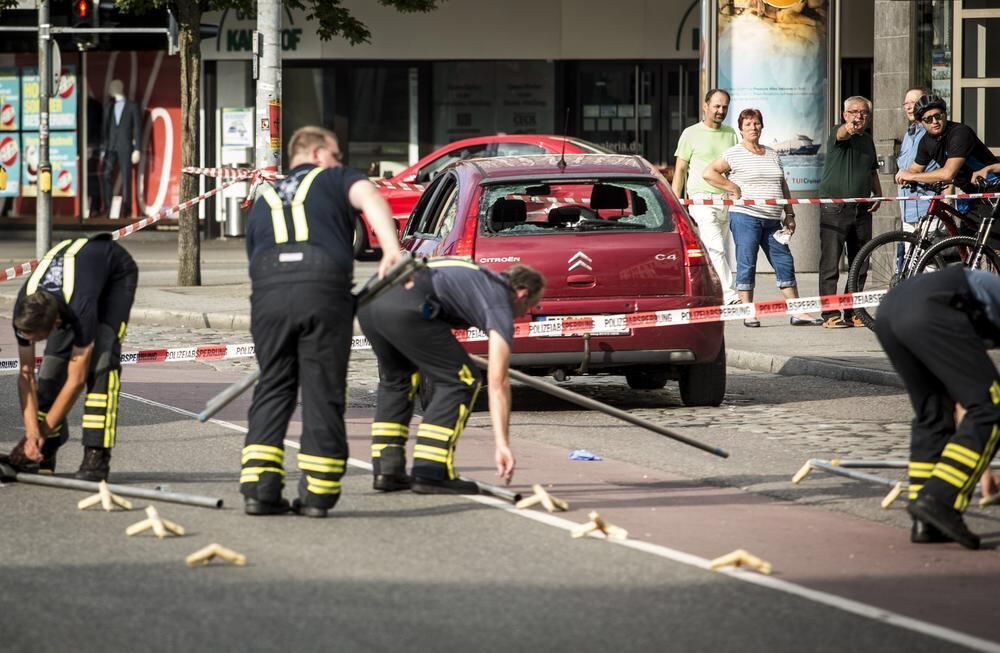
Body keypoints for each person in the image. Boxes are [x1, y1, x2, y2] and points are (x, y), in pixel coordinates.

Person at [241, 125, 402, 518]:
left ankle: (260, 489)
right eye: (335, 154)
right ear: (317, 154)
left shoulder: (263, 197)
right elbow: (369, 195)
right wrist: (392, 249)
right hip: (322, 285)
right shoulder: (333, 177)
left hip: (268, 291)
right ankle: (317, 492)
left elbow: (253, 256)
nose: (340, 162)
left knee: (273, 384)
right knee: (321, 387)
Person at [357, 260, 545, 494]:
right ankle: (430, 471)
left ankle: (388, 469)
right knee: (462, 379)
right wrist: (502, 444)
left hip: (371, 301)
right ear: (522, 294)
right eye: (531, 306)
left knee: (398, 379)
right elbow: (498, 382)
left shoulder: (476, 277)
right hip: (407, 305)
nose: (524, 314)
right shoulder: (499, 300)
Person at [874, 266, 1000, 550]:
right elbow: (984, 405)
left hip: (891, 310)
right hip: (932, 309)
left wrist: (982, 469)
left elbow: (965, 403)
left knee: (933, 411)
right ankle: (940, 499)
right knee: (992, 403)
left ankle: (926, 521)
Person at [6, 234, 138, 481]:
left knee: (102, 365)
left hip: (115, 274)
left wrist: (41, 431)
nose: (30, 343)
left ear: (56, 323)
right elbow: (26, 375)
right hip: (74, 283)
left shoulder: (80, 309)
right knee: (50, 370)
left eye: (36, 338)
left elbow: (76, 380)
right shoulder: (24, 311)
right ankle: (44, 451)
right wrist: (32, 433)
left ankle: (96, 456)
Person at [703, 108, 822, 328]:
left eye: (756, 123)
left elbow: (783, 184)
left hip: (772, 220)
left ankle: (797, 312)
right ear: (741, 129)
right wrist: (732, 187)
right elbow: (709, 172)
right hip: (746, 217)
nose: (753, 128)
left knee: (784, 261)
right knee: (747, 263)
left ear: (762, 126)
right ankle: (749, 312)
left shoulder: (772, 153)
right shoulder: (734, 153)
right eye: (748, 124)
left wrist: (790, 214)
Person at [817, 95, 882, 329]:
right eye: (854, 112)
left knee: (860, 262)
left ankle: (853, 310)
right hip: (835, 208)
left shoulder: (868, 141)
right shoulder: (839, 132)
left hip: (862, 208)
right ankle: (830, 314)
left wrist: (878, 193)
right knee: (831, 264)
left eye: (863, 112)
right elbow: (843, 133)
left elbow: (872, 171)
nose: (859, 116)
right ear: (845, 115)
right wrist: (849, 127)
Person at [673, 89, 740, 304]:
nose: (721, 111)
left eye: (724, 107)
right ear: (705, 106)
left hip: (726, 201)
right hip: (701, 200)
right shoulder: (690, 133)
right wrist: (676, 205)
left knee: (717, 251)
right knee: (715, 248)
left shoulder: (731, 134)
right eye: (717, 106)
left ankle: (710, 292)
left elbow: (734, 168)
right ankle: (730, 296)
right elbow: (680, 170)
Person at [895, 94, 999, 192]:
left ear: (945, 115)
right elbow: (915, 169)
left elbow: (948, 173)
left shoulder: (960, 133)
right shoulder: (925, 142)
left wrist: (911, 176)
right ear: (920, 123)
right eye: (928, 119)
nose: (935, 121)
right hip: (971, 191)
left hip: (994, 185)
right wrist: (903, 174)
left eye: (938, 116)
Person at [896, 87, 937, 232]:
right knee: (911, 255)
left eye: (913, 102)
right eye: (905, 103)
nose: (908, 107)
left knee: (931, 254)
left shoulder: (933, 132)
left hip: (929, 210)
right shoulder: (908, 135)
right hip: (908, 212)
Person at [101, 79, 142, 218]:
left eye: (112, 86)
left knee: (126, 177)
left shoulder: (132, 106)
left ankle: (127, 207)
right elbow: (105, 129)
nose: (110, 89)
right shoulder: (108, 106)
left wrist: (137, 148)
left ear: (118, 88)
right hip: (110, 146)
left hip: (125, 146)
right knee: (106, 174)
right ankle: (108, 206)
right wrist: (103, 147)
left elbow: (137, 128)